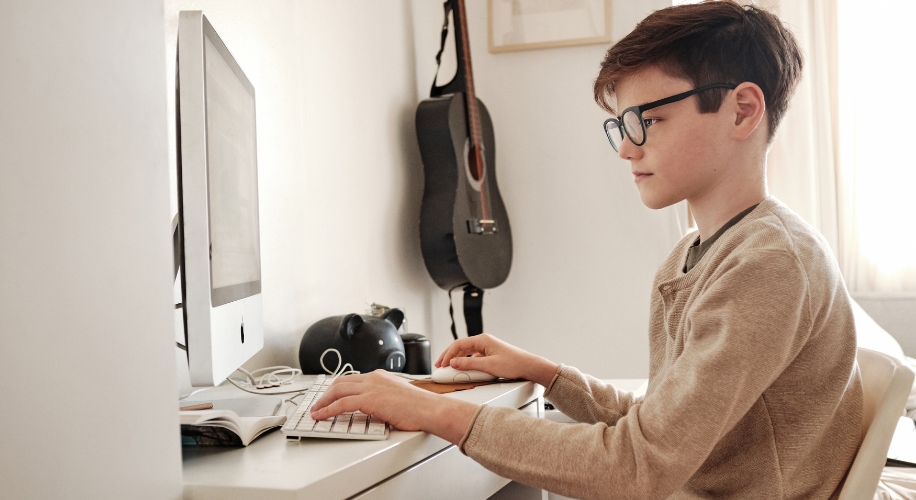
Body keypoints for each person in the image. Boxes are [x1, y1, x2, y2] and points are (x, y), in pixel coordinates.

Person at [310, 2, 863, 498]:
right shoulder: (697, 254)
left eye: (646, 121)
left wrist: (429, 408)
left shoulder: (768, 263)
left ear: (742, 110)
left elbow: (638, 465)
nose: (625, 148)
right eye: (620, 126)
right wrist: (548, 374)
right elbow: (656, 426)